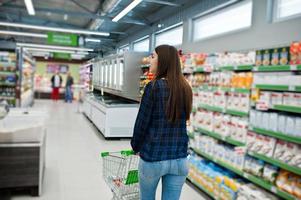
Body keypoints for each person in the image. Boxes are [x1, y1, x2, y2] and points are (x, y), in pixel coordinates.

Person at [131, 45, 193, 200]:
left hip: (154, 157)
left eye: (153, 56)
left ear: (162, 61)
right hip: (179, 158)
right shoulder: (186, 87)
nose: (150, 60)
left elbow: (142, 123)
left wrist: (135, 146)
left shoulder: (153, 87)